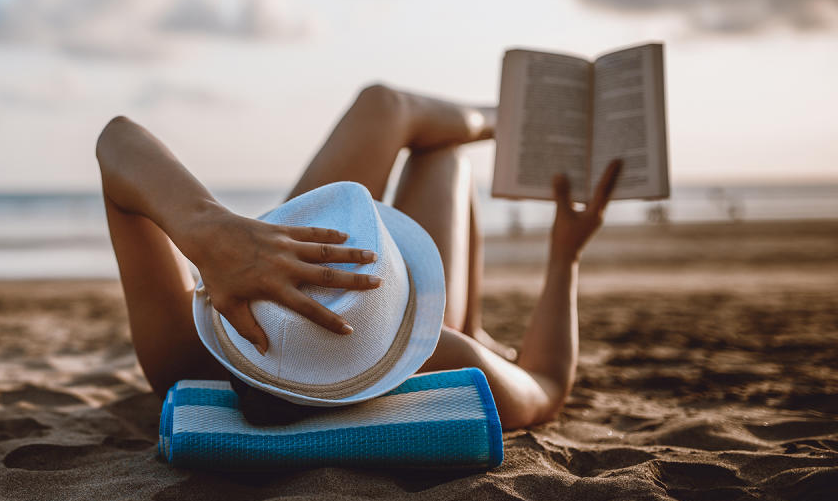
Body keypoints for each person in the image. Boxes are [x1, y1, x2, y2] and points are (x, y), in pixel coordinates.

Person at [95, 84, 621, 430]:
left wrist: (210, 229)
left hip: (264, 292)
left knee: (383, 106)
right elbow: (547, 383)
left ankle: (505, 119)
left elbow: (117, 141)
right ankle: (508, 121)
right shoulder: (446, 360)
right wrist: (565, 255)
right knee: (441, 154)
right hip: (444, 339)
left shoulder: (187, 358)